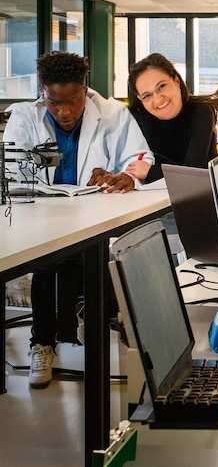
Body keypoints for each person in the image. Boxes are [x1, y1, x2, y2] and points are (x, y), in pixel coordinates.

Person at [2, 51, 154, 389]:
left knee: (84, 255)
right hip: (43, 219)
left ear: (85, 89)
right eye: (55, 103)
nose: (64, 111)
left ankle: (75, 324)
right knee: (47, 261)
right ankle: (45, 341)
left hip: (95, 217)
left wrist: (126, 175)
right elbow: (12, 173)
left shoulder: (113, 113)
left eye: (72, 101)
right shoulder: (25, 117)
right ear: (43, 92)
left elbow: (140, 156)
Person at [125, 53, 218, 183]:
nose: (158, 99)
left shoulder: (200, 112)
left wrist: (151, 172)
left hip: (199, 195)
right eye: (147, 96)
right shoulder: (137, 119)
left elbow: (192, 174)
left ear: (176, 81)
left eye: (162, 86)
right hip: (154, 197)